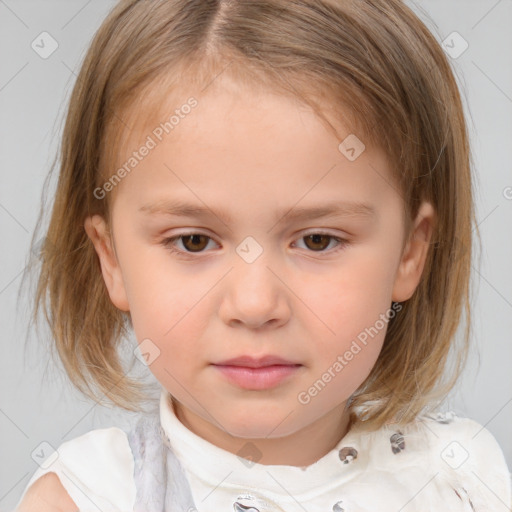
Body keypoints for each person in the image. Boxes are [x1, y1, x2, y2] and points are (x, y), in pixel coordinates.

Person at [15, 0, 511, 511]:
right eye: (194, 241)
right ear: (111, 260)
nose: (254, 304)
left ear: (410, 251)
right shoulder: (88, 498)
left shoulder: (462, 482)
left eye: (317, 240)